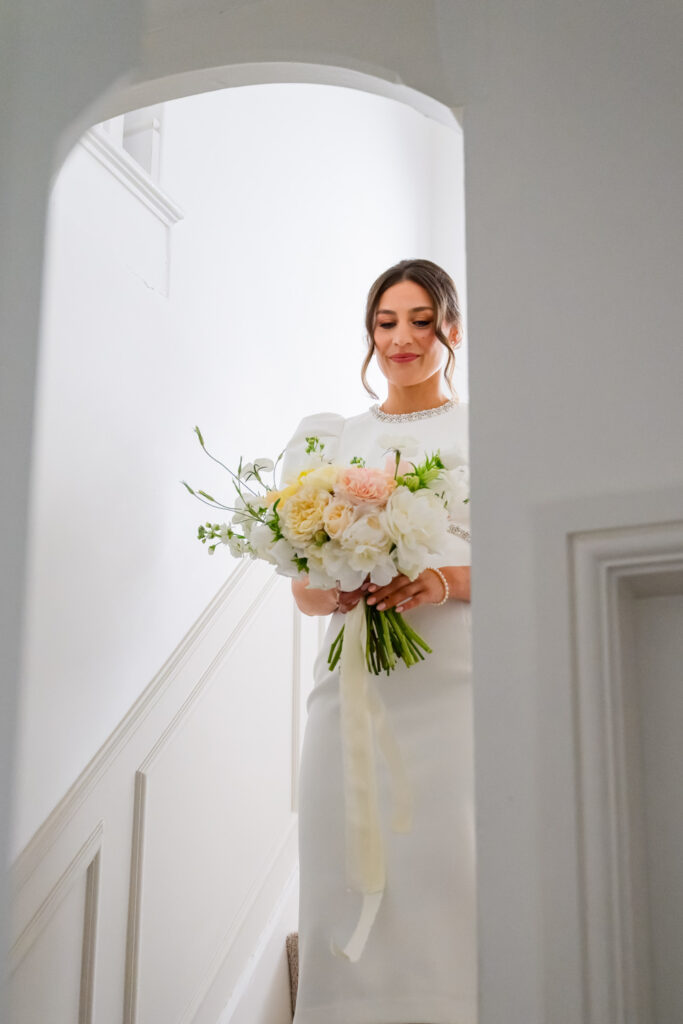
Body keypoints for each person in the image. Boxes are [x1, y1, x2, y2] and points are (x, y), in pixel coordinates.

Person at [282, 258, 475, 1024]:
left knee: (450, 860)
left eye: (420, 321)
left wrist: (438, 582)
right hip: (354, 678)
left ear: (450, 330)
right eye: (385, 322)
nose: (400, 338)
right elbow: (303, 591)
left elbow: (523, 558)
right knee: (342, 854)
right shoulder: (331, 440)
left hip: (454, 684)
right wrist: (340, 582)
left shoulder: (485, 427)